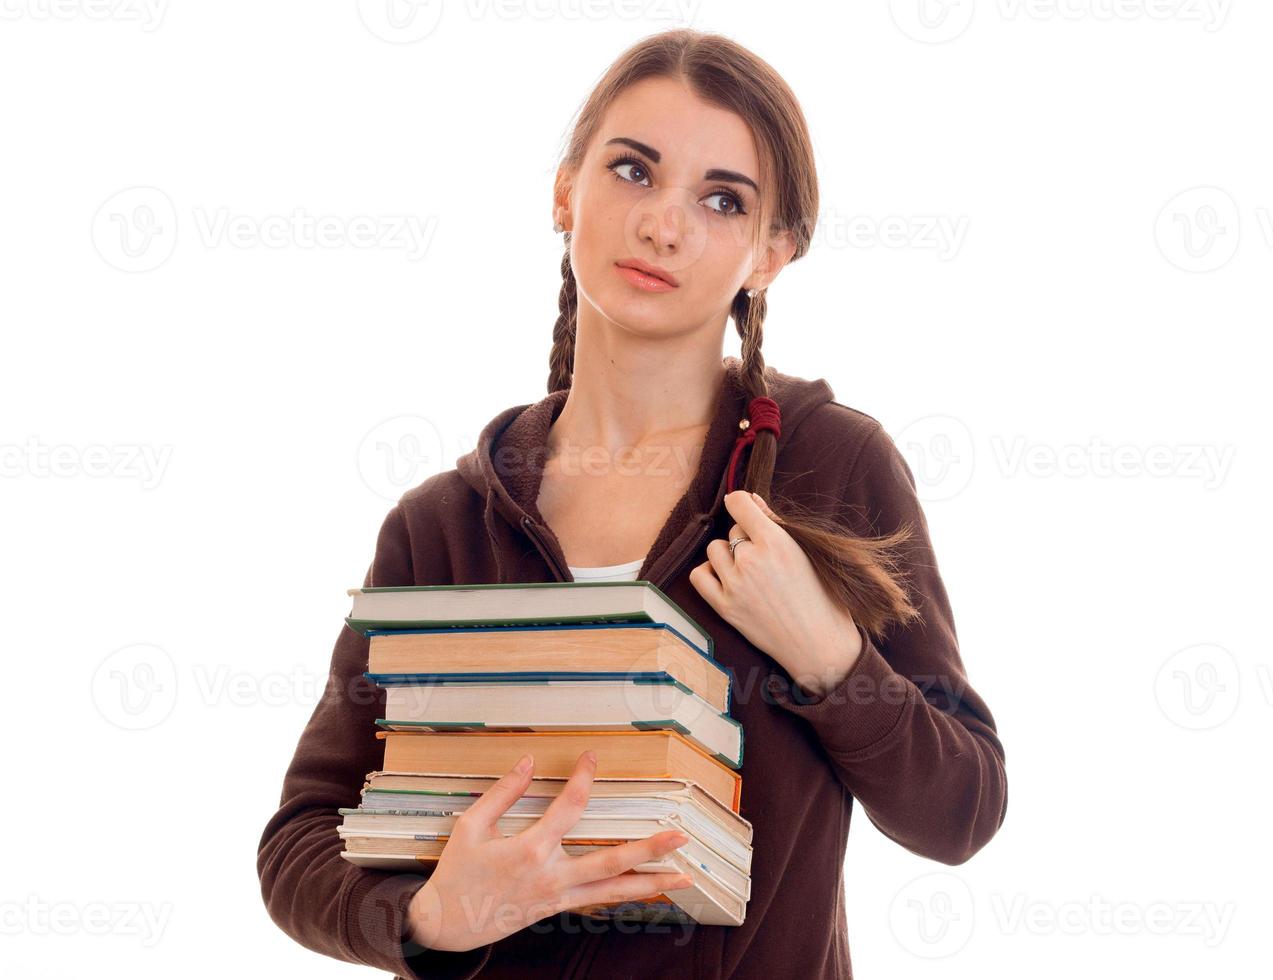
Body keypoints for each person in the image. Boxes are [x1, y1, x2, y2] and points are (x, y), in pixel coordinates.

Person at [257, 27, 1007, 980]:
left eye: (722, 199)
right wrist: (431, 915)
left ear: (771, 253)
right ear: (566, 192)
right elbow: (300, 843)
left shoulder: (831, 469)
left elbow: (963, 810)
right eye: (632, 172)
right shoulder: (438, 525)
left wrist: (829, 656)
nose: (665, 225)